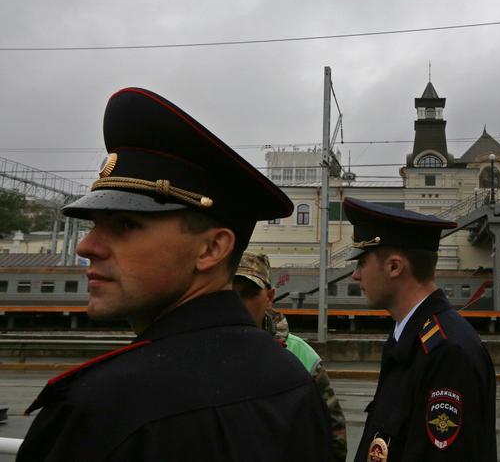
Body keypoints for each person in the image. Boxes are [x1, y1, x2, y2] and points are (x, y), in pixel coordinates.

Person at [17, 87, 330, 461]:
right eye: (94, 225)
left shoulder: (102, 408)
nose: (86, 247)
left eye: (126, 225)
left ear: (211, 249)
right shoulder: (294, 381)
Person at [344, 197, 497, 462]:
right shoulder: (411, 339)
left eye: (362, 262)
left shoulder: (447, 354)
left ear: (394, 267)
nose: (355, 275)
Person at [233, 252, 348, 462]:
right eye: (229, 294)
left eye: (249, 293)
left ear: (269, 298)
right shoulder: (201, 350)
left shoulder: (300, 354)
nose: (239, 303)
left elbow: (333, 438)